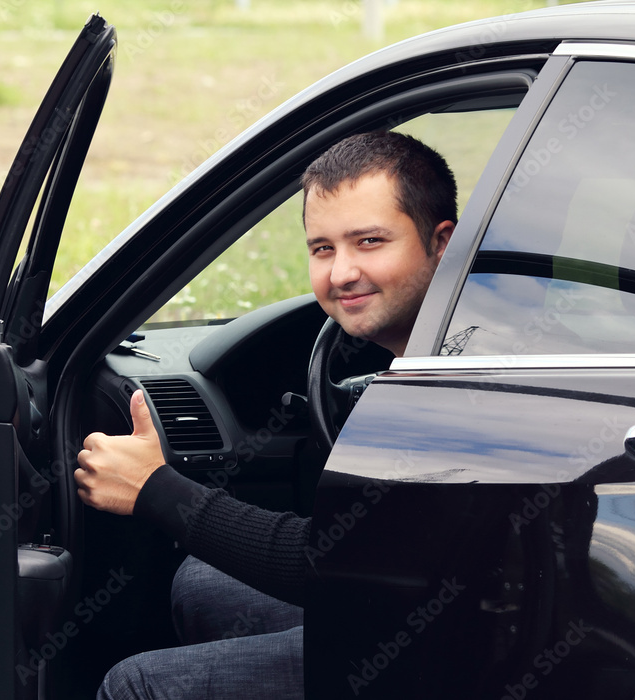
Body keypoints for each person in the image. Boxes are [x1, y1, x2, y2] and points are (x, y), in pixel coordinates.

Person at [74, 130, 457, 699]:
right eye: (322, 248)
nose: (341, 273)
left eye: (370, 241)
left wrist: (154, 488)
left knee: (136, 686)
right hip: (432, 606)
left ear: (441, 242)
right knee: (201, 584)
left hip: (460, 654)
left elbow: (332, 562)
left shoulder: (456, 381)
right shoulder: (434, 352)